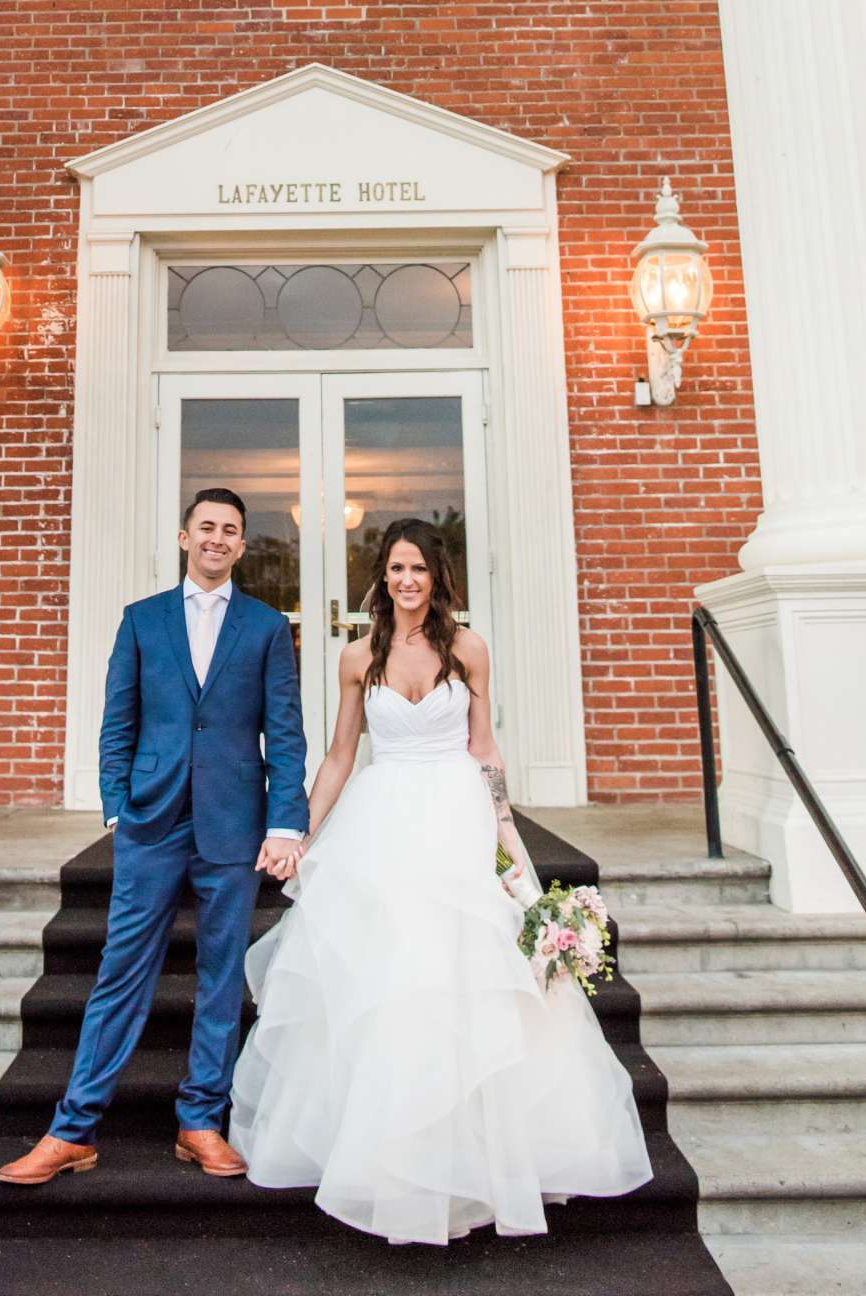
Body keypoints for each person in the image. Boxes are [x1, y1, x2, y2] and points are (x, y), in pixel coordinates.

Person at [229, 516, 652, 1244]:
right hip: (382, 824)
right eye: (395, 568)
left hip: (457, 821)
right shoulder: (357, 656)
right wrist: (298, 833)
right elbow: (336, 758)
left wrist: (515, 853)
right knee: (392, 983)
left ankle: (477, 1162)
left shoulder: (469, 650)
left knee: (467, 978)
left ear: (437, 576)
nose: (407, 581)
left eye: (418, 568)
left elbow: (485, 754)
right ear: (380, 577)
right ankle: (387, 1159)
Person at [0, 487, 308, 1186]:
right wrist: (117, 804)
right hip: (152, 820)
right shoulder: (142, 621)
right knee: (120, 971)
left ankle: (200, 1121)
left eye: (230, 531)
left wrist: (287, 821)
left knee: (221, 978)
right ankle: (72, 1128)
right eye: (206, 528)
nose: (217, 539)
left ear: (242, 545)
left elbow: (285, 732)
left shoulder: (264, 627)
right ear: (183, 536)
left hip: (233, 824)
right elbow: (119, 719)